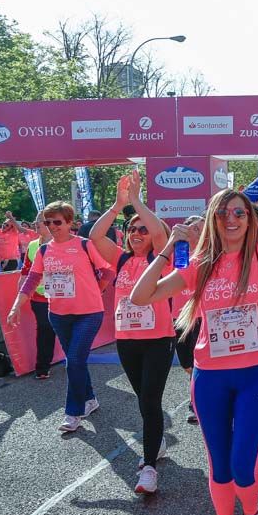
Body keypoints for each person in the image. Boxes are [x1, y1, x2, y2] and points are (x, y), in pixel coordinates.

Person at [130, 183, 258, 515]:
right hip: (210, 377)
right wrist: (168, 247)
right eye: (224, 212)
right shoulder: (199, 264)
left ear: (249, 220)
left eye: (240, 213)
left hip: (255, 376)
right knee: (220, 465)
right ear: (213, 218)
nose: (231, 219)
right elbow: (140, 296)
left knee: (244, 465)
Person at [90, 171, 175, 494]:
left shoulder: (160, 258)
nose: (137, 232)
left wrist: (138, 200)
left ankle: (149, 466)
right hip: (127, 341)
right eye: (131, 228)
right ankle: (158, 442)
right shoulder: (122, 258)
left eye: (142, 229)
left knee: (151, 400)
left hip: (158, 341)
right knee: (144, 400)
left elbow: (159, 233)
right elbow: (96, 237)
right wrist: (117, 204)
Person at [7, 201, 114, 432]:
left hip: (89, 312)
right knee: (76, 361)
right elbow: (33, 279)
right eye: (48, 222)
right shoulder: (44, 250)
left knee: (73, 361)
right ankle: (90, 399)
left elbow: (108, 270)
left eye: (57, 222)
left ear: (69, 223)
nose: (52, 226)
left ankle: (73, 412)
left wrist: (97, 289)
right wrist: (17, 305)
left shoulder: (85, 245)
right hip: (58, 313)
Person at [172, 214, 204, 425]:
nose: (198, 231)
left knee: (200, 362)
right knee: (186, 363)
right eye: (193, 228)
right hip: (179, 316)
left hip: (203, 316)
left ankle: (196, 403)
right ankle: (198, 387)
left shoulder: (210, 254)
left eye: (202, 228)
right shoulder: (178, 252)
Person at [20, 212, 57, 379]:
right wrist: (20, 293)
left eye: (39, 222)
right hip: (39, 295)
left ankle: (74, 360)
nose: (36, 225)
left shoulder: (63, 243)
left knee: (62, 328)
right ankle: (42, 366)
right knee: (44, 327)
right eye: (35, 222)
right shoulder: (33, 245)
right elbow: (26, 270)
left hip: (62, 296)